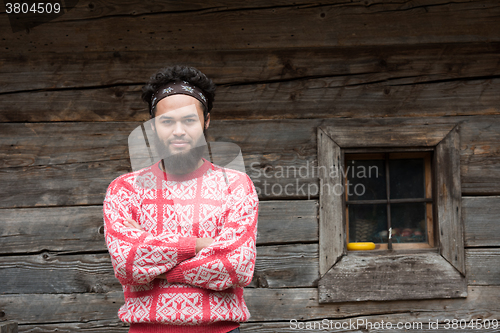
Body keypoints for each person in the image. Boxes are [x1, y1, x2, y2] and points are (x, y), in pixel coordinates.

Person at [103, 65, 259, 333]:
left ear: (206, 121)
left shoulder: (235, 185)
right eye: (167, 121)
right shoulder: (125, 189)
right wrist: (199, 245)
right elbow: (126, 262)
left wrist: (156, 267)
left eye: (189, 120)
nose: (178, 131)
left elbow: (237, 266)